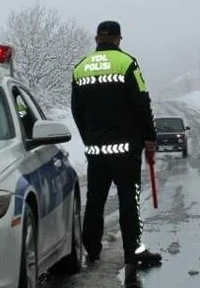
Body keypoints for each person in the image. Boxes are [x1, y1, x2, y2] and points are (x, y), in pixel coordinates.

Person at [70, 20, 163, 269]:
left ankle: (92, 250)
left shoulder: (80, 68)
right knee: (129, 201)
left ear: (96, 39)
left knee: (95, 201)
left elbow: (76, 111)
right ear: (119, 39)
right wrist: (149, 137)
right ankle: (133, 251)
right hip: (125, 150)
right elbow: (142, 102)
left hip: (96, 151)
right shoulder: (127, 64)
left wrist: (89, 138)